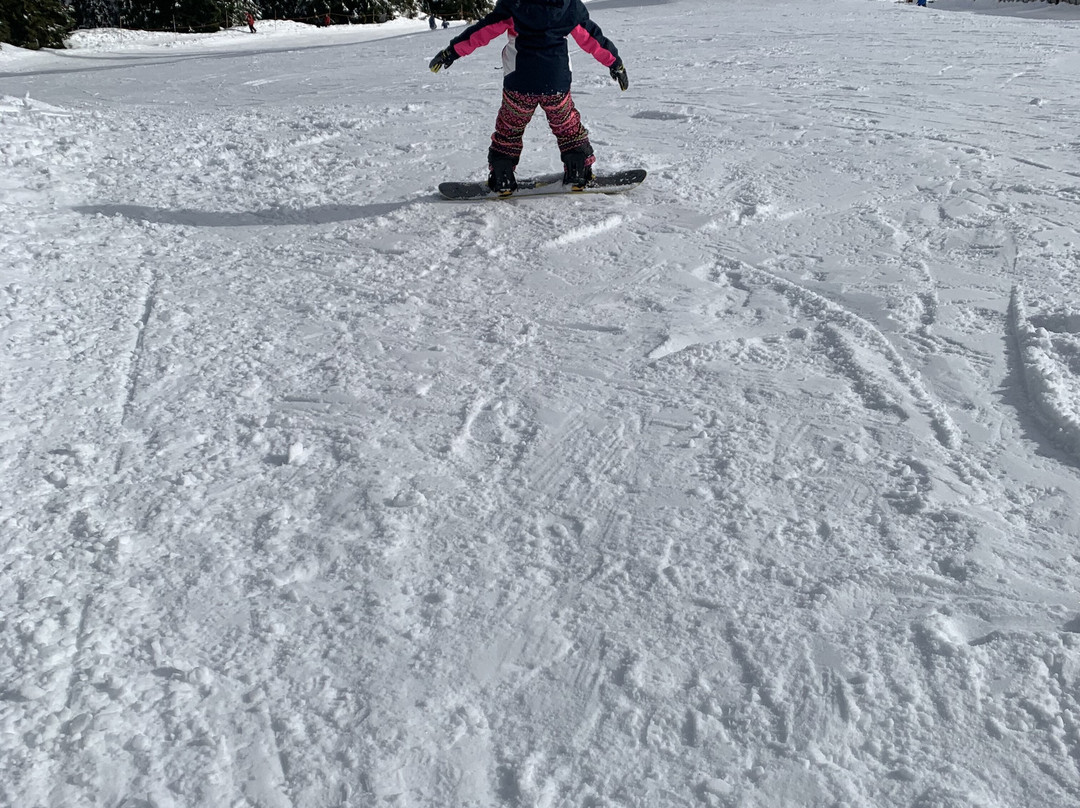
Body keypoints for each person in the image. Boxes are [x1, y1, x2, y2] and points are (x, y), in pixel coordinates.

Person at [428, 0, 628, 194]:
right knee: (567, 127)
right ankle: (578, 171)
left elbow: (483, 31)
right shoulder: (568, 6)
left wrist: (451, 52)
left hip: (520, 82)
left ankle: (502, 176)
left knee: (509, 129)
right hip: (555, 83)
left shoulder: (514, 5)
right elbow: (591, 37)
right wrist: (615, 63)